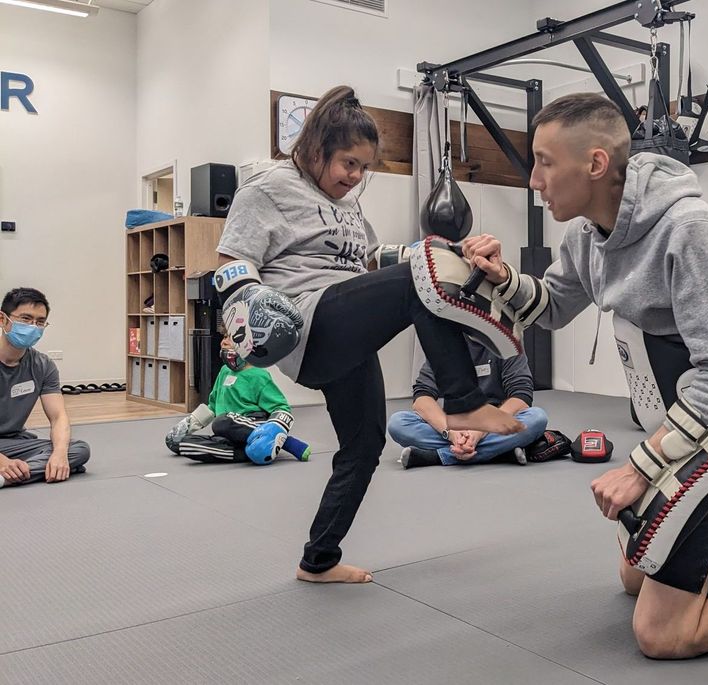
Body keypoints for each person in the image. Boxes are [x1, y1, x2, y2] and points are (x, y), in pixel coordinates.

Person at [459, 93, 708, 658]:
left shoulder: (690, 232)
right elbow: (551, 306)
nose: (534, 180)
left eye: (545, 162)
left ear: (596, 164)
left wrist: (640, 466)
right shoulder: (586, 236)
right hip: (680, 420)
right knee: (634, 577)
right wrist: (499, 275)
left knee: (662, 633)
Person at [214, 85, 523, 585]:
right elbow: (230, 262)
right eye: (348, 164)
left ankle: (319, 560)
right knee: (421, 280)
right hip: (306, 321)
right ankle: (462, 400)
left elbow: (375, 261)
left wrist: (448, 249)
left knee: (363, 448)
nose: (355, 177)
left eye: (363, 168)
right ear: (316, 151)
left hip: (344, 331)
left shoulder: (349, 206)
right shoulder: (268, 189)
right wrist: (244, 316)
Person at [388, 337, 548, 468]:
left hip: (495, 423)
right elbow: (422, 398)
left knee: (537, 418)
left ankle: (438, 456)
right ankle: (499, 452)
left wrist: (480, 431)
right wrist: (451, 433)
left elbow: (521, 396)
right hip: (455, 423)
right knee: (398, 423)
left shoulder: (507, 341)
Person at [164, 334, 311, 464]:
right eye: (224, 336)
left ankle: (283, 441)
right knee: (182, 445)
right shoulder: (224, 371)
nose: (224, 341)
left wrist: (276, 428)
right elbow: (213, 406)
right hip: (227, 434)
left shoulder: (258, 375)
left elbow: (281, 408)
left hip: (247, 421)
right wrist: (187, 425)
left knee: (222, 422)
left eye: (230, 337)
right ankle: (248, 452)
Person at [0, 288, 90, 488]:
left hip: (14, 442)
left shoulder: (43, 365)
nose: (33, 326)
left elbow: (58, 417)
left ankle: (7, 477)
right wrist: (3, 462)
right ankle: (30, 470)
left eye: (40, 322)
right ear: (2, 319)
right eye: (25, 318)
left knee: (76, 449)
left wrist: (59, 455)